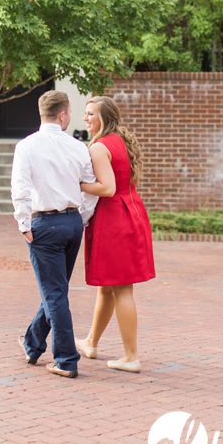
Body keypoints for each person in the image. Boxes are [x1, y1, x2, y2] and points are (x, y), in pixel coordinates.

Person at [10, 90, 104, 378]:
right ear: (62, 114)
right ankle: (33, 343)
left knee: (53, 292)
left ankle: (65, 359)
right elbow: (90, 188)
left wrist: (23, 224)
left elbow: (21, 189)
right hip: (72, 223)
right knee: (56, 291)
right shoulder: (78, 148)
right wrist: (82, 218)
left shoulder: (27, 146)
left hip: (44, 225)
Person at [74, 95, 156, 373]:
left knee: (121, 287)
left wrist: (80, 184)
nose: (85, 118)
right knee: (107, 286)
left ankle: (131, 356)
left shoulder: (99, 147)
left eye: (90, 114)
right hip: (130, 213)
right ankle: (91, 342)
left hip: (114, 220)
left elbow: (107, 188)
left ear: (104, 118)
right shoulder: (120, 141)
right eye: (85, 114)